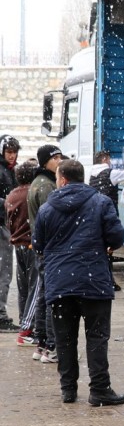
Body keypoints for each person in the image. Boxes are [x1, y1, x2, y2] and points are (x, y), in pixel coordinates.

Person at [32, 159, 124, 406]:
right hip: (93, 280)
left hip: (60, 283)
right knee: (97, 337)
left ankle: (68, 390)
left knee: (64, 339)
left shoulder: (46, 208)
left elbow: (39, 243)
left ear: (62, 179)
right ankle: (99, 390)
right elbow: (117, 236)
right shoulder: (101, 202)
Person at [89, 149, 124, 291]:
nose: (110, 162)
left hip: (95, 216)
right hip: (108, 216)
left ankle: (103, 280)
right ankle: (108, 281)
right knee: (108, 249)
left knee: (100, 248)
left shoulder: (92, 174)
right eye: (108, 159)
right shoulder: (110, 173)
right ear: (104, 159)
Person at [28, 144, 63, 362]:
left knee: (43, 296)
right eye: (55, 158)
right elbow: (52, 220)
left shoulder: (39, 182)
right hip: (50, 249)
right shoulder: (47, 186)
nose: (59, 161)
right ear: (44, 162)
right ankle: (51, 345)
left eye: (61, 157)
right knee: (52, 299)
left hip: (42, 248)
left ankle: (40, 343)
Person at [5, 159, 39, 344]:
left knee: (24, 289)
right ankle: (26, 330)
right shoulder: (31, 193)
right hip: (31, 245)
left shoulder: (12, 194)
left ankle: (24, 323)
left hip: (18, 246)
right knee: (35, 288)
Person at [0, 134, 22, 332]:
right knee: (4, 271)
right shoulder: (3, 172)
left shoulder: (9, 170)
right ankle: (1, 315)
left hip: (6, 224)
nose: (12, 156)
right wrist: (8, 203)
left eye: (14, 152)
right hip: (2, 226)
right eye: (9, 152)